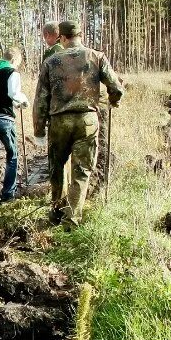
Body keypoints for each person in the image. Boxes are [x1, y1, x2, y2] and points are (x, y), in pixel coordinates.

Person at [32, 20, 124, 226]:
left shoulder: (51, 61)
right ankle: (72, 218)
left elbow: (41, 99)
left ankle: (56, 210)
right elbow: (116, 88)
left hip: (59, 122)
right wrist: (113, 101)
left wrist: (39, 130)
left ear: (62, 38)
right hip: (87, 120)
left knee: (56, 167)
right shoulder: (96, 57)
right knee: (81, 170)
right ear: (81, 36)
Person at [0, 46, 31, 205]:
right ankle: (8, 194)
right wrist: (24, 101)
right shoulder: (12, 72)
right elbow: (13, 94)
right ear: (14, 60)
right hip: (5, 120)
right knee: (12, 155)